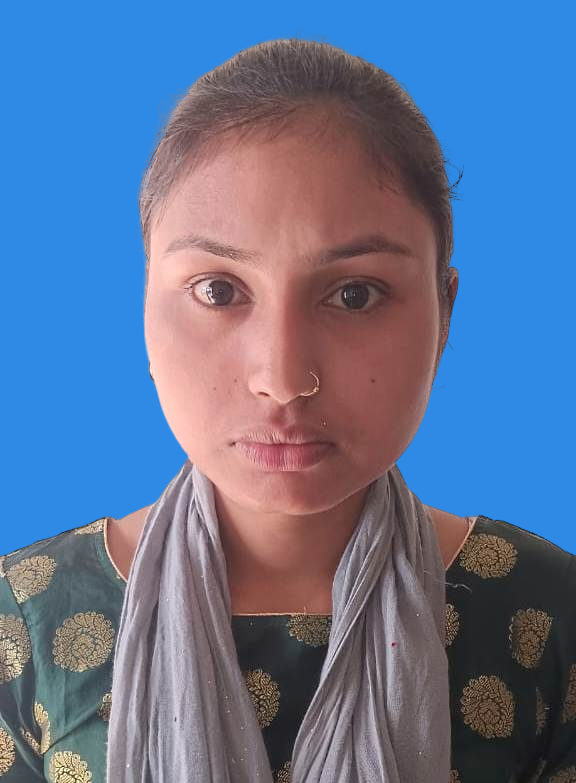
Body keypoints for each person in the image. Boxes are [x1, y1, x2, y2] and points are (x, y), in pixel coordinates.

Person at [0, 38, 575, 783]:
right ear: (144, 308)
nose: (283, 378)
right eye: (218, 291)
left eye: (355, 294)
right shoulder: (25, 619)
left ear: (444, 315)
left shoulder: (546, 613)